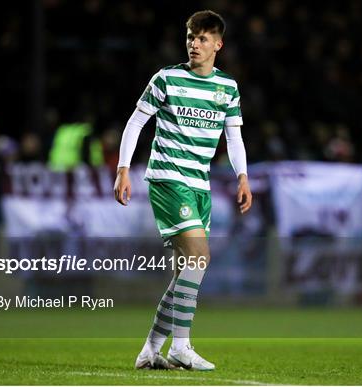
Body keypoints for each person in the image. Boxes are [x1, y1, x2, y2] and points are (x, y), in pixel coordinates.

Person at [114, 10, 252, 371]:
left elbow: (233, 137)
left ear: (218, 44)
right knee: (198, 258)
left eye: (203, 39)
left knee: (183, 273)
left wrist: (243, 176)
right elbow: (136, 122)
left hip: (199, 186)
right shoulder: (166, 79)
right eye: (191, 37)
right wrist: (123, 168)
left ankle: (150, 350)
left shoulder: (228, 88)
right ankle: (181, 346)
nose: (195, 44)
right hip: (168, 179)